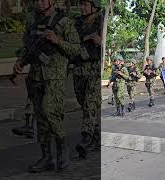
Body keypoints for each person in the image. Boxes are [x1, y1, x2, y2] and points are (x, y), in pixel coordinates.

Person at [13, 0, 80, 172]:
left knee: (50, 112)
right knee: (40, 118)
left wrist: (57, 40)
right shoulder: (32, 21)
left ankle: (62, 151)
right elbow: (26, 46)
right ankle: (46, 157)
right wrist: (20, 61)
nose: (40, 3)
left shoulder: (63, 21)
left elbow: (75, 49)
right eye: (37, 0)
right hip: (35, 76)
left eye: (44, 0)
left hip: (54, 77)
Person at [72, 0, 103, 159]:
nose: (82, 7)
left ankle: (86, 138)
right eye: (81, 4)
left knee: (90, 103)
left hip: (94, 68)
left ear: (94, 6)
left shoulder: (102, 21)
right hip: (78, 68)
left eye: (85, 4)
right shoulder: (76, 23)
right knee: (83, 104)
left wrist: (99, 40)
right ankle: (96, 137)